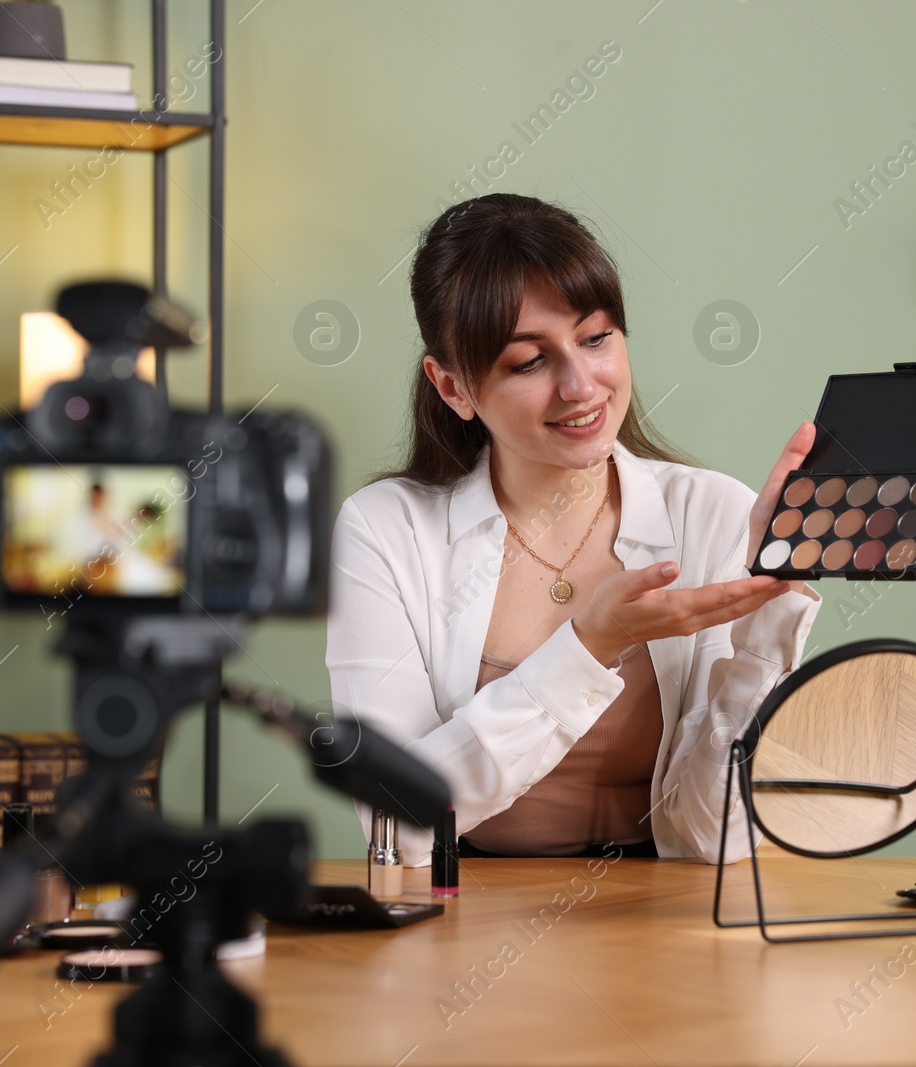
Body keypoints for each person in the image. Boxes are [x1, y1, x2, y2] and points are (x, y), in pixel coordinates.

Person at [325, 193, 820, 863]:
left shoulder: (713, 514)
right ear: (452, 389)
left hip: (659, 919)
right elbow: (399, 826)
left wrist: (772, 607)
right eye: (529, 362)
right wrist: (588, 647)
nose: (580, 385)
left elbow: (713, 835)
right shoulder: (386, 529)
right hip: (464, 918)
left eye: (596, 338)